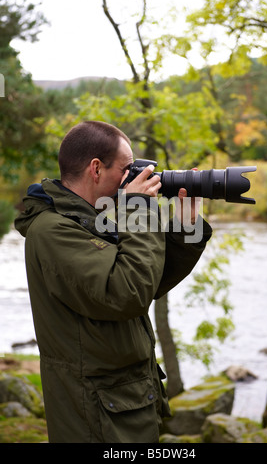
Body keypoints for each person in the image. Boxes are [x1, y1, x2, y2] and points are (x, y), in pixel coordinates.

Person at [14, 120, 212, 443]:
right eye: (127, 170)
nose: (132, 179)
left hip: (125, 407)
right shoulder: (52, 231)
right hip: (95, 419)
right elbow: (126, 292)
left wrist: (185, 227)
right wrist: (138, 209)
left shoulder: (94, 219)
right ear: (96, 169)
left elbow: (147, 281)